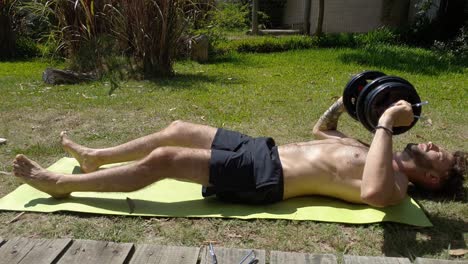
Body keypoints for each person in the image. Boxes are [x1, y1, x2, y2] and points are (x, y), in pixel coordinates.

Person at [12, 98, 466, 207]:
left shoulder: (397, 185)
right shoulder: (372, 149)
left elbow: (371, 194)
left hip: (265, 178)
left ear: (435, 179)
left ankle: (62, 185)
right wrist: (352, 102)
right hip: (261, 148)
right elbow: (320, 130)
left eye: (440, 154)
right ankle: (95, 156)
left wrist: (386, 122)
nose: (431, 144)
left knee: (165, 158)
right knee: (178, 128)